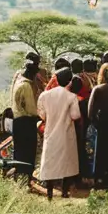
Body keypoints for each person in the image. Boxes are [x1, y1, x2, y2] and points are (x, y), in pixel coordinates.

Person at [36, 66, 84, 198]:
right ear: (70, 81)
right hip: (67, 134)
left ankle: (50, 193)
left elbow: (41, 114)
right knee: (66, 164)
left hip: (50, 133)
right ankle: (64, 192)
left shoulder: (44, 96)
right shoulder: (71, 96)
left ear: (56, 79)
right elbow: (75, 115)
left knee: (50, 163)